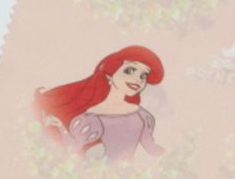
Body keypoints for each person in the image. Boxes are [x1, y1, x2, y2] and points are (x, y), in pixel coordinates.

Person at [35, 46, 166, 162]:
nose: (138, 79)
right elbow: (74, 150)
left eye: (143, 75)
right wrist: (60, 127)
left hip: (129, 176)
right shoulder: (90, 118)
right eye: (130, 71)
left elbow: (152, 148)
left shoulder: (144, 116)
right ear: (110, 73)